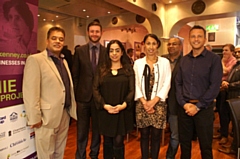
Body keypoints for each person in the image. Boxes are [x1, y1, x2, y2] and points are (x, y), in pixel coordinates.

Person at [22, 26, 77, 159]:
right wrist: (35, 117)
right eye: (54, 38)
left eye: (61, 39)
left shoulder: (63, 61)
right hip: (46, 118)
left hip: (64, 114)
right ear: (47, 40)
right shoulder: (35, 60)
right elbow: (30, 91)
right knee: (46, 154)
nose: (58, 41)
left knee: (59, 151)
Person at [175, 25, 223, 159]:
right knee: (184, 144)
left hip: (204, 109)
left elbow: (214, 86)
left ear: (205, 39)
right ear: (189, 39)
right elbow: (178, 83)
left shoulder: (214, 60)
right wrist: (184, 104)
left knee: (205, 146)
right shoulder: (183, 60)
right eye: (193, 36)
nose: (196, 39)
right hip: (184, 109)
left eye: (199, 36)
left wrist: (198, 106)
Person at [93, 40, 135, 159]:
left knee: (118, 142)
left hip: (122, 111)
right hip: (105, 111)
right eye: (111, 51)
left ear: (122, 52)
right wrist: (104, 105)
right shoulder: (101, 69)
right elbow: (95, 89)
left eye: (117, 50)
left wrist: (124, 104)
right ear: (108, 53)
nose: (114, 53)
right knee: (107, 142)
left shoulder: (128, 69)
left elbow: (132, 90)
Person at [133, 34, 171, 159]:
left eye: (154, 43)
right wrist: (145, 103)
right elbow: (135, 84)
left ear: (158, 45)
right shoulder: (138, 63)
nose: (151, 47)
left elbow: (167, 83)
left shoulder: (165, 62)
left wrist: (154, 101)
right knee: (144, 135)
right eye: (148, 43)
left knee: (156, 136)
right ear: (144, 45)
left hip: (158, 103)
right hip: (142, 103)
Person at [72, 21, 106, 159]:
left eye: (97, 31)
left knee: (97, 131)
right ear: (88, 32)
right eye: (92, 31)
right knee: (82, 130)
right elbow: (75, 75)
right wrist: (76, 96)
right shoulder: (79, 51)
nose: (94, 34)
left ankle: (94, 155)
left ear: (101, 33)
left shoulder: (106, 52)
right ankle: (80, 155)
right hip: (83, 98)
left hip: (99, 98)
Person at [162, 37, 182, 159]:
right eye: (169, 44)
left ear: (180, 46)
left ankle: (170, 156)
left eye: (174, 44)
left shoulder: (185, 61)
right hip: (159, 102)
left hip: (176, 103)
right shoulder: (161, 60)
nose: (171, 46)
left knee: (175, 134)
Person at [218, 45, 240, 155]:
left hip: (235, 94)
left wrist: (229, 84)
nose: (237, 54)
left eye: (239, 52)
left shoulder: (234, 62)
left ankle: (234, 148)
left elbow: (225, 72)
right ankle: (232, 145)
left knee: (235, 121)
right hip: (227, 92)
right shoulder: (237, 64)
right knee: (224, 114)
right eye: (236, 52)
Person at [213, 44, 237, 145]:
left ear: (232, 52)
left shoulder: (234, 62)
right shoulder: (224, 61)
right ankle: (222, 132)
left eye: (226, 50)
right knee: (220, 111)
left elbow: (226, 71)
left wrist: (222, 62)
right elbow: (217, 72)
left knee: (224, 113)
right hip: (219, 88)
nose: (224, 52)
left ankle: (225, 136)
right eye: (223, 50)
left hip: (227, 90)